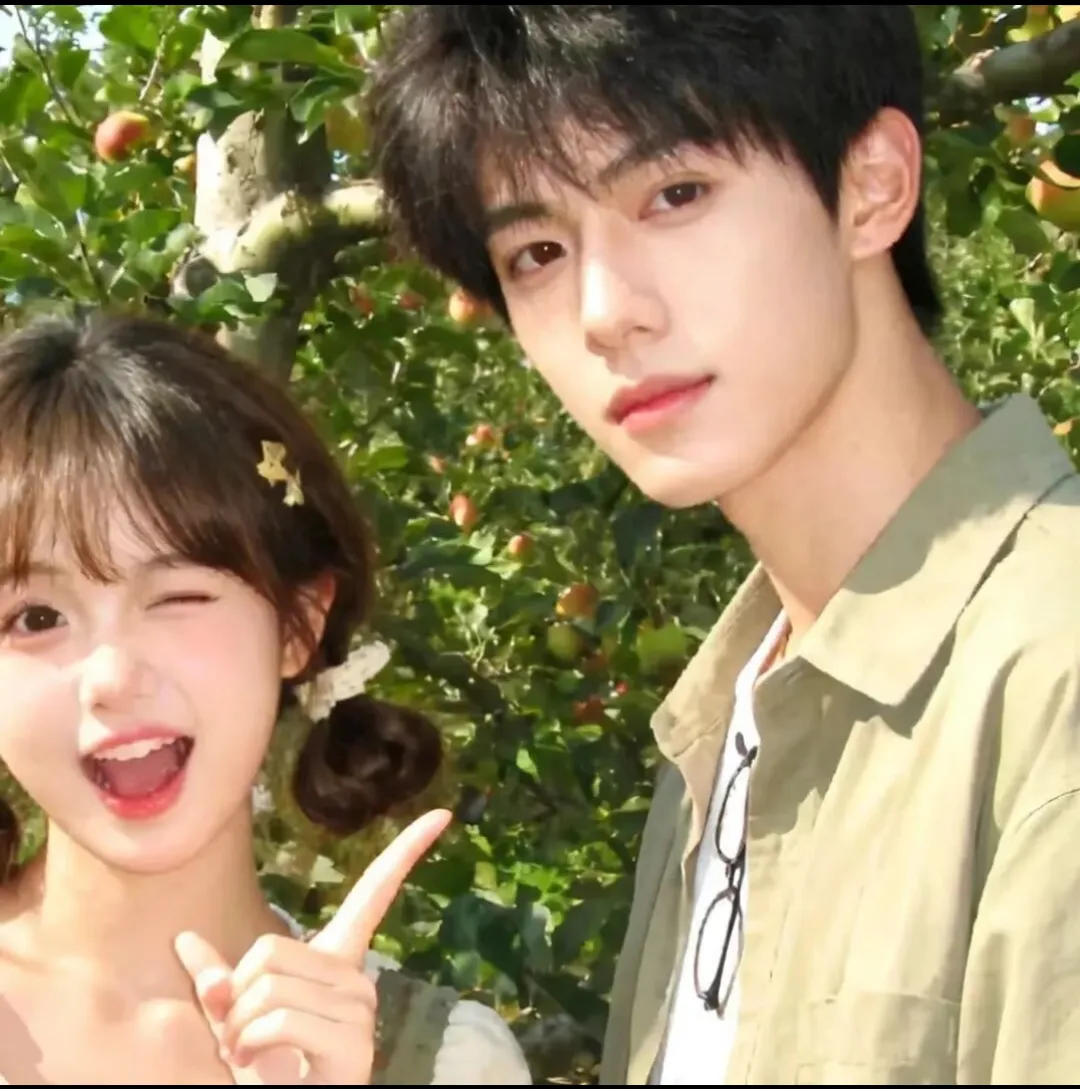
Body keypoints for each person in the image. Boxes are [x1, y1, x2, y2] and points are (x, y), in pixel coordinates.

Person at [365, 5, 1080, 1084]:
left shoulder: (1049, 674)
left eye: (676, 195)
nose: (605, 311)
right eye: (538, 252)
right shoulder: (724, 727)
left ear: (874, 185)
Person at [0, 311, 532, 1085]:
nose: (111, 676)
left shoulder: (445, 1063)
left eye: (177, 596)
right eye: (35, 618)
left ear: (298, 624)